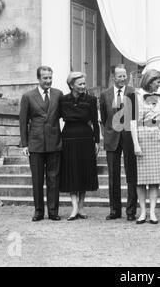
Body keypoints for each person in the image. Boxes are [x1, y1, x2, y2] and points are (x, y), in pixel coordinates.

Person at [19, 66, 63, 221]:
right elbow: (23, 122)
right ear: (38, 78)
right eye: (45, 78)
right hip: (35, 144)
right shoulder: (28, 96)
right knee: (37, 179)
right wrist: (24, 144)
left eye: (50, 77)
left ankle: (53, 212)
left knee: (54, 178)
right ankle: (38, 212)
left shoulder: (58, 94)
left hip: (54, 142)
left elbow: (66, 115)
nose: (48, 81)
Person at [59, 72, 100, 221]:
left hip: (86, 138)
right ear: (71, 85)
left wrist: (97, 141)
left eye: (84, 83)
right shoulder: (63, 100)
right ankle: (74, 207)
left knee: (83, 172)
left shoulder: (91, 99)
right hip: (68, 137)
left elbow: (95, 121)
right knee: (72, 171)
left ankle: (81, 207)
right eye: (80, 84)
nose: (83, 86)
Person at [99, 65, 138, 221]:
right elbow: (103, 116)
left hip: (128, 137)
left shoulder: (132, 92)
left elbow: (135, 116)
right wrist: (106, 134)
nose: (123, 79)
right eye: (120, 76)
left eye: (124, 76)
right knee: (113, 176)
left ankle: (131, 211)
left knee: (131, 175)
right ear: (113, 77)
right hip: (111, 138)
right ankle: (115, 210)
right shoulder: (105, 94)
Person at [130, 69, 160, 224]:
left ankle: (152, 212)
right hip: (141, 135)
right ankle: (143, 212)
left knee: (154, 179)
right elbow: (132, 122)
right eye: (157, 82)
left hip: (155, 137)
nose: (159, 85)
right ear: (150, 81)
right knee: (140, 179)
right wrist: (135, 144)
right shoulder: (136, 96)